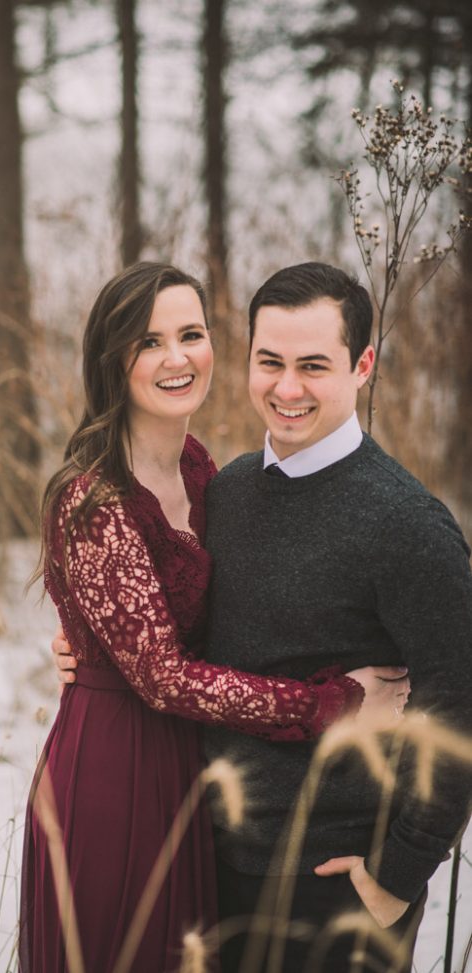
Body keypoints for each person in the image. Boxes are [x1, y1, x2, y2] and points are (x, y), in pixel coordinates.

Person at [53, 261, 472, 973]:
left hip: (332, 881)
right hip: (205, 863)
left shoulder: (408, 526)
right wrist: (91, 644)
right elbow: (178, 629)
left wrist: (399, 874)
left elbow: (459, 702)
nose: (287, 388)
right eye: (269, 361)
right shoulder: (231, 488)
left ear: (363, 364)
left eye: (314, 365)